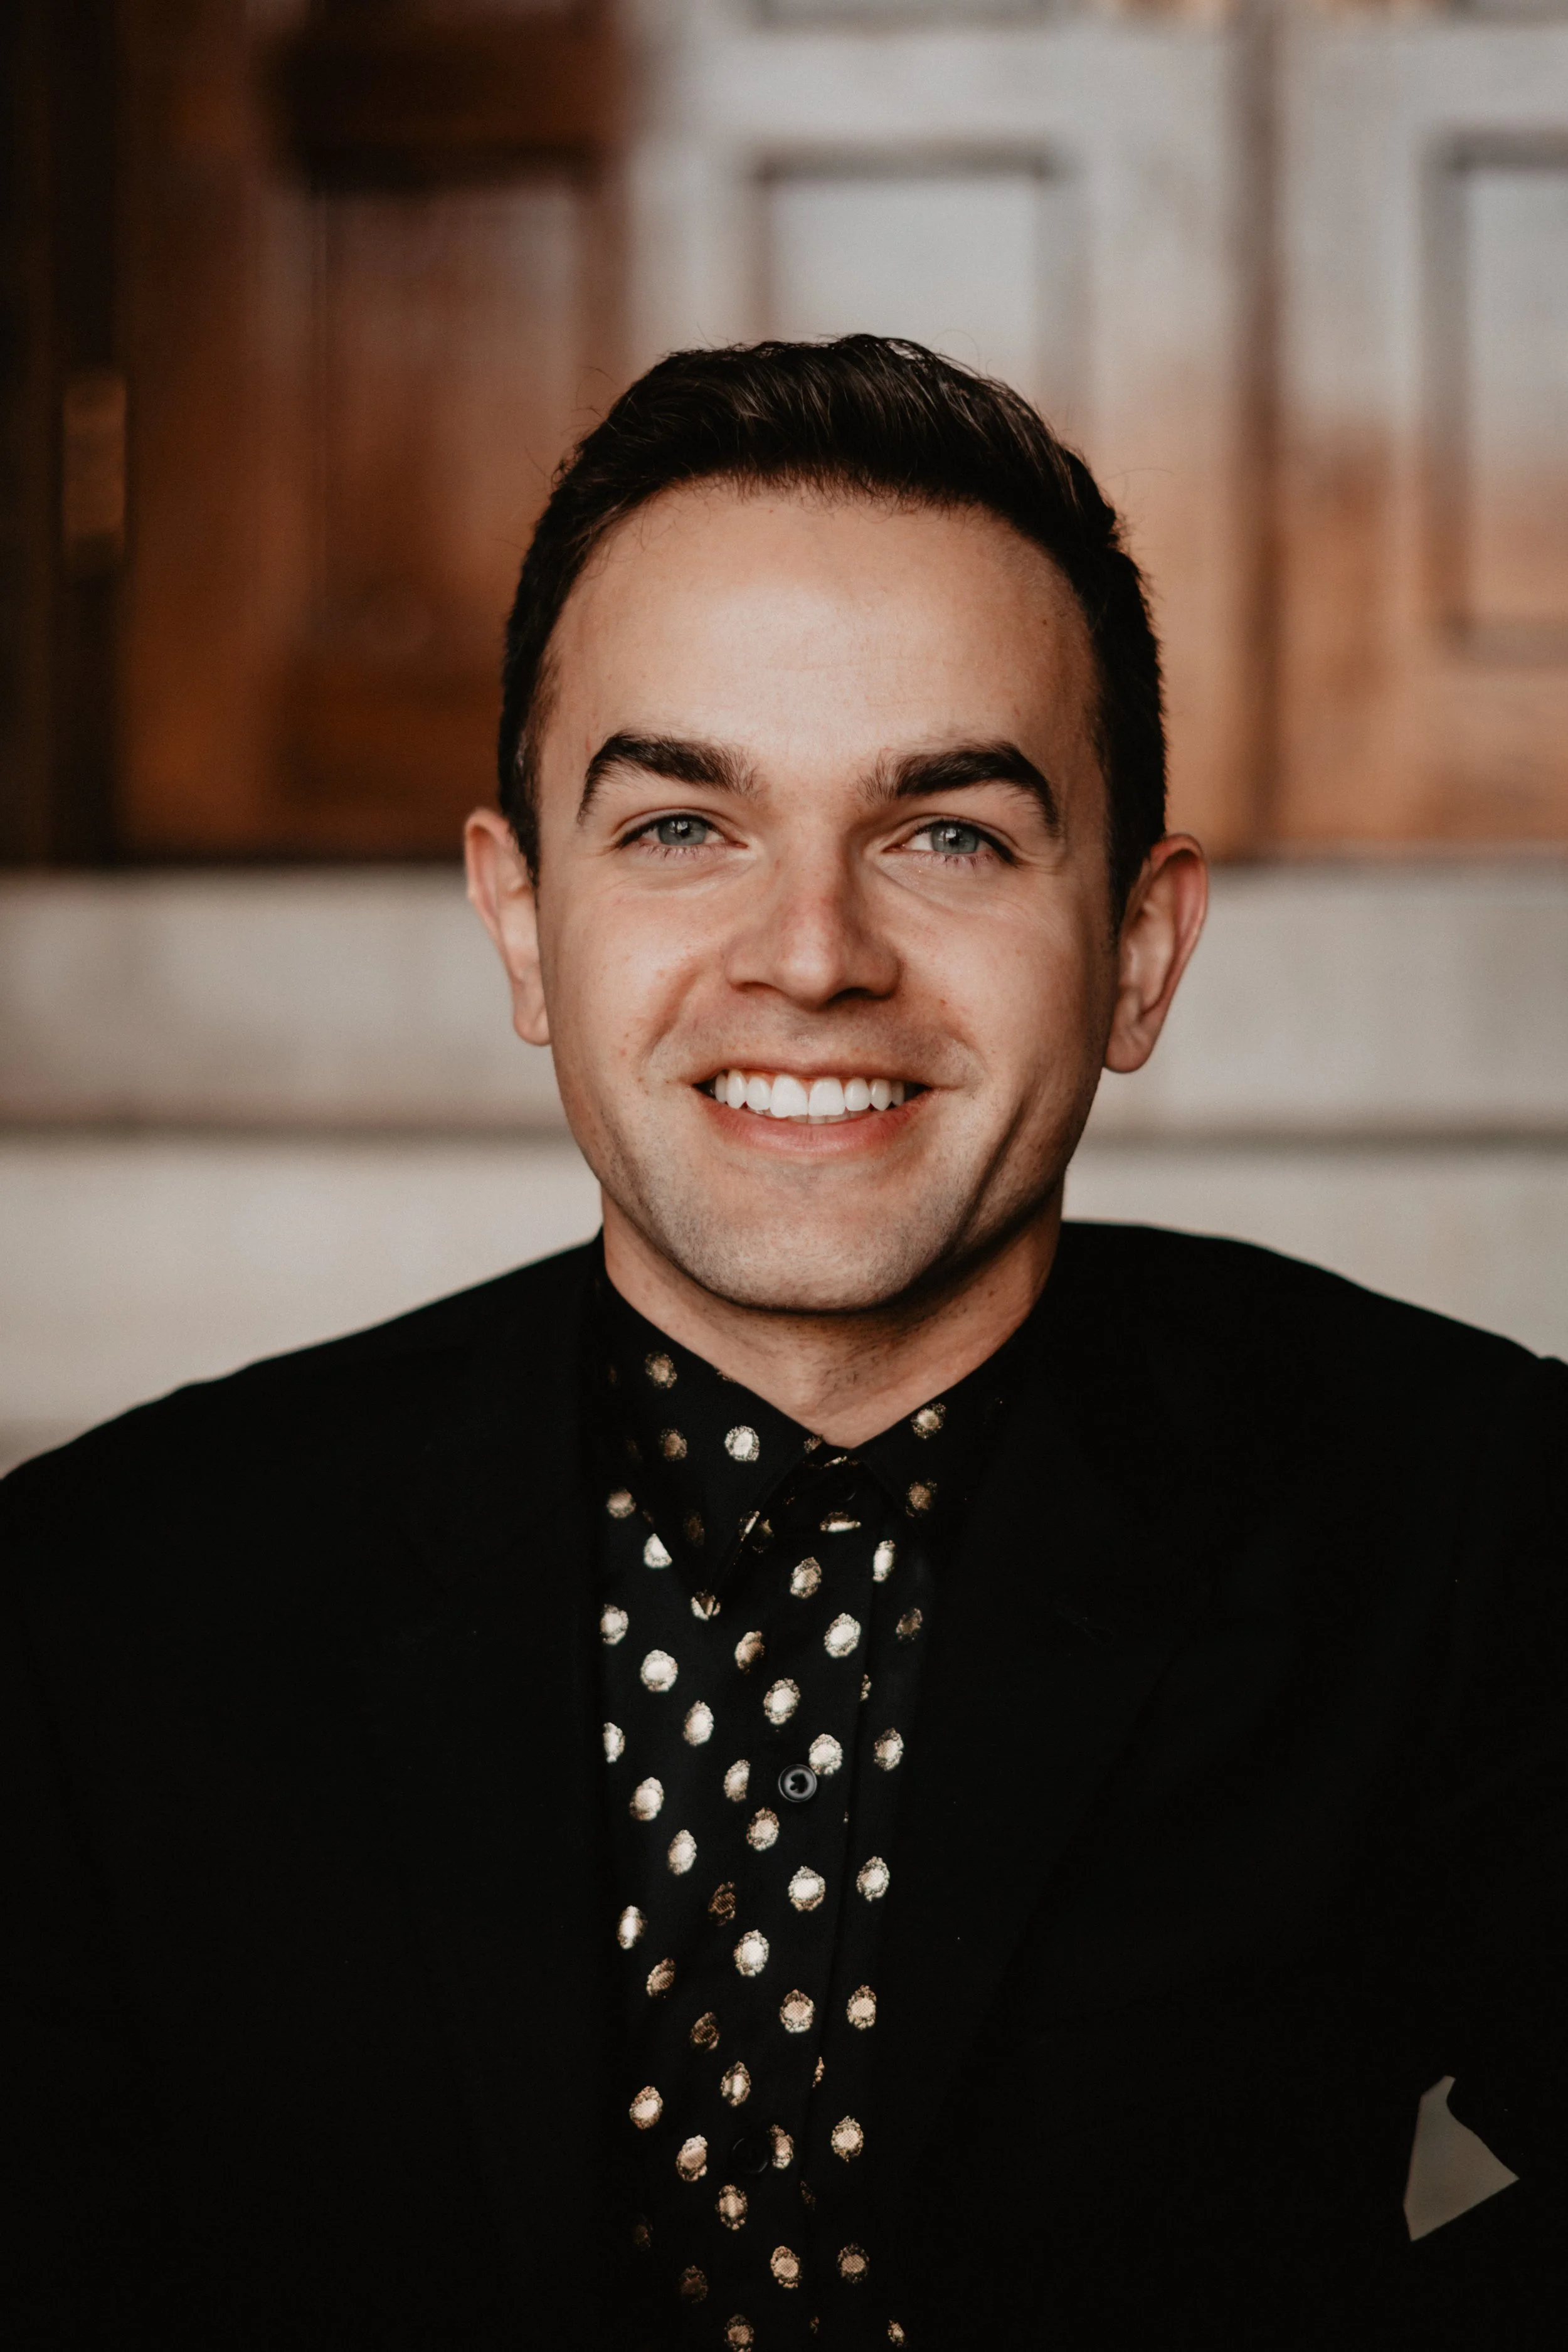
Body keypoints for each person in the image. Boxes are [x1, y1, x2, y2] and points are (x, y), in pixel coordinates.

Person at [2, 337, 1562, 2352]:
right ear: (516, 918)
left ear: (1143, 949)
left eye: (948, 835)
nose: (812, 951)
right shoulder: (105, 1604)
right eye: (678, 827)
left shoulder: (1468, 1517)